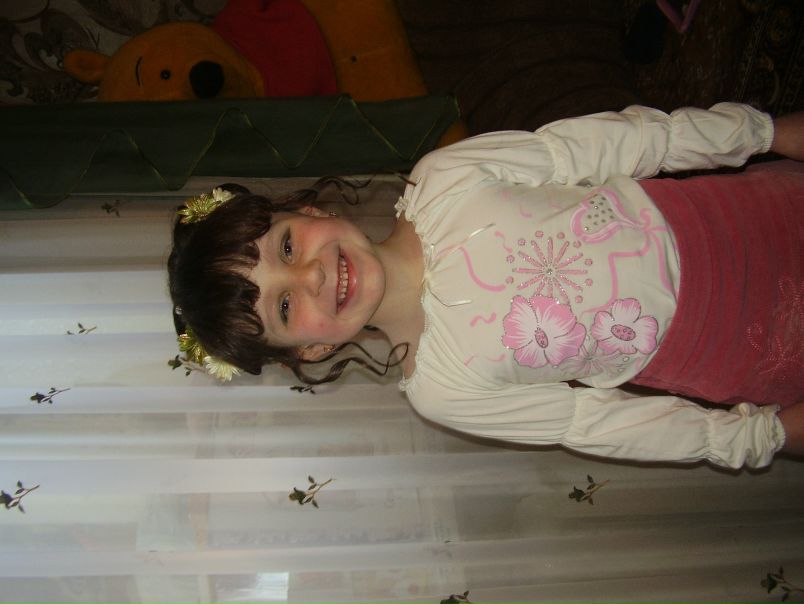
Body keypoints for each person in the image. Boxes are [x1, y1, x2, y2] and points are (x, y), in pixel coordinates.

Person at [168, 102, 803, 470]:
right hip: (743, 349)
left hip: (746, 218)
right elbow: (595, 424)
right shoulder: (443, 391)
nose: (310, 274)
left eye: (285, 247)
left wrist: (767, 133)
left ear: (307, 211)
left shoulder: (444, 179)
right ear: (312, 349)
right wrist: (760, 437)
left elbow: (619, 143)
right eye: (284, 305)